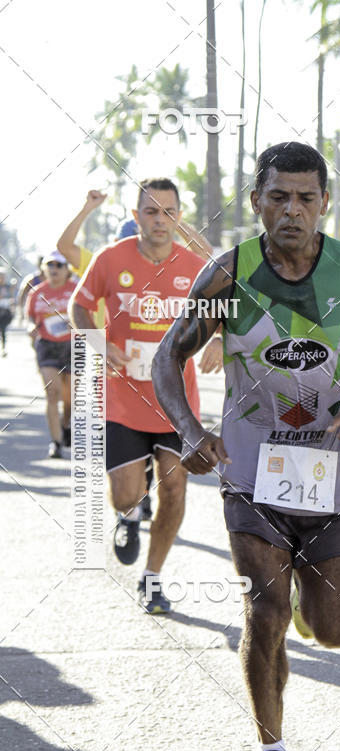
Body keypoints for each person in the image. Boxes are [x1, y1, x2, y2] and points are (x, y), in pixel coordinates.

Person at [152, 141, 340, 751]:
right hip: (251, 471)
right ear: (257, 201)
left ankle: (305, 596)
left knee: (335, 630)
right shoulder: (227, 276)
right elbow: (167, 356)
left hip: (334, 473)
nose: (292, 209)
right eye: (278, 197)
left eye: (305, 197)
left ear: (324, 203)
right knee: (262, 612)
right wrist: (190, 432)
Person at [69, 177, 212, 613]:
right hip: (122, 400)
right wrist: (99, 342)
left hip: (176, 403)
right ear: (136, 217)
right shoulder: (112, 259)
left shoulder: (194, 266)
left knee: (176, 489)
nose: (160, 220)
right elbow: (79, 306)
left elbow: (223, 304)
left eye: (169, 212)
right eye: (151, 212)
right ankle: (129, 515)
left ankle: (152, 578)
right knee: (126, 493)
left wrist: (221, 339)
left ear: (179, 217)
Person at [26, 251, 77, 458]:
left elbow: (89, 313)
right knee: (52, 392)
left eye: (59, 265)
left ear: (67, 269)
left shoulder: (76, 290)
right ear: (44, 268)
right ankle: (55, 442)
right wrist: (31, 327)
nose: (54, 269)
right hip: (47, 345)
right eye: (50, 265)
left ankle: (66, 425)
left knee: (70, 396)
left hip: (73, 346)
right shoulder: (37, 293)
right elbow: (31, 317)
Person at [15, 256, 44, 325]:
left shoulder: (54, 279)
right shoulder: (32, 279)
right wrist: (20, 311)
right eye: (41, 264)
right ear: (38, 265)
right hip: (35, 310)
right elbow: (22, 294)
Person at [0, 268, 14, 356]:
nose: (2, 278)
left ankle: (3, 348)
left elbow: (11, 298)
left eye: (3, 276)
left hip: (5, 312)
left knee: (3, 330)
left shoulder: (8, 287)